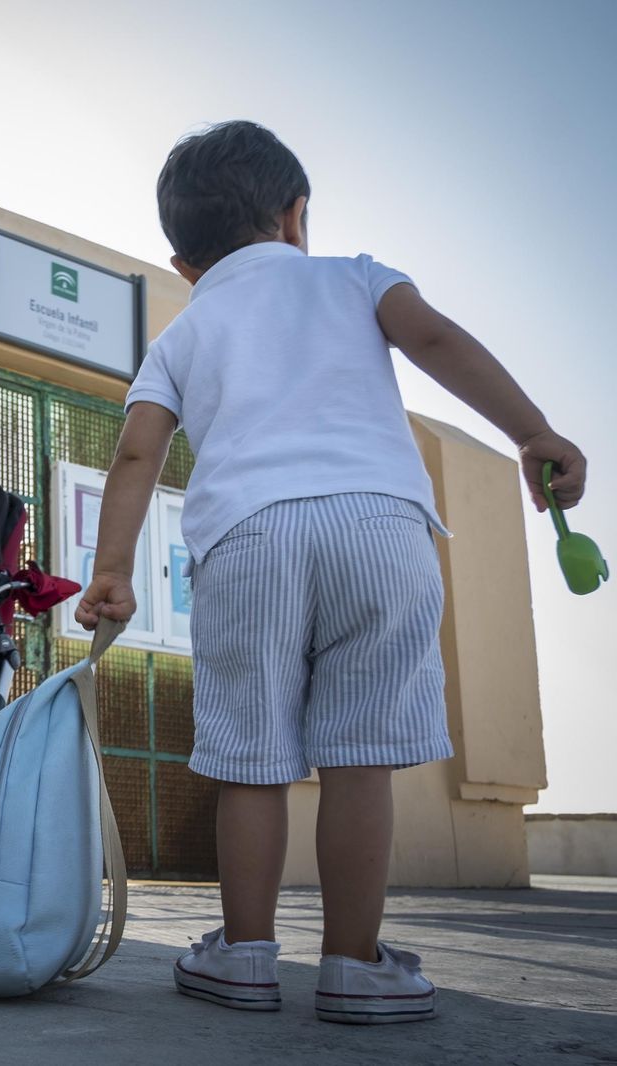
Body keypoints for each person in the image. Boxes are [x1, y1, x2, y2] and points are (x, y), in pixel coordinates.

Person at [74, 120, 586, 1024]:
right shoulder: (354, 277)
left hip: (247, 543)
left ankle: (243, 955)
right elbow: (437, 342)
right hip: (381, 529)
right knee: (360, 760)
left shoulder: (182, 336)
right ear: (296, 215)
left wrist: (113, 567)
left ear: (183, 263)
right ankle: (356, 965)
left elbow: (134, 456)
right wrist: (532, 431)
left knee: (251, 759)